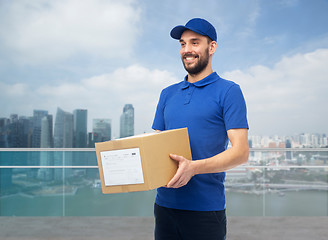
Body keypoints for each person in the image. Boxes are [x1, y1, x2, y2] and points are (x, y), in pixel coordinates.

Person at [152, 18, 249, 240]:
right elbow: (156, 145)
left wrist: (193, 168)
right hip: (164, 206)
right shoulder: (167, 93)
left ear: (212, 47)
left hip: (205, 210)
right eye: (183, 44)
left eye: (195, 43)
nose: (187, 50)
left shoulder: (229, 91)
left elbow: (241, 152)